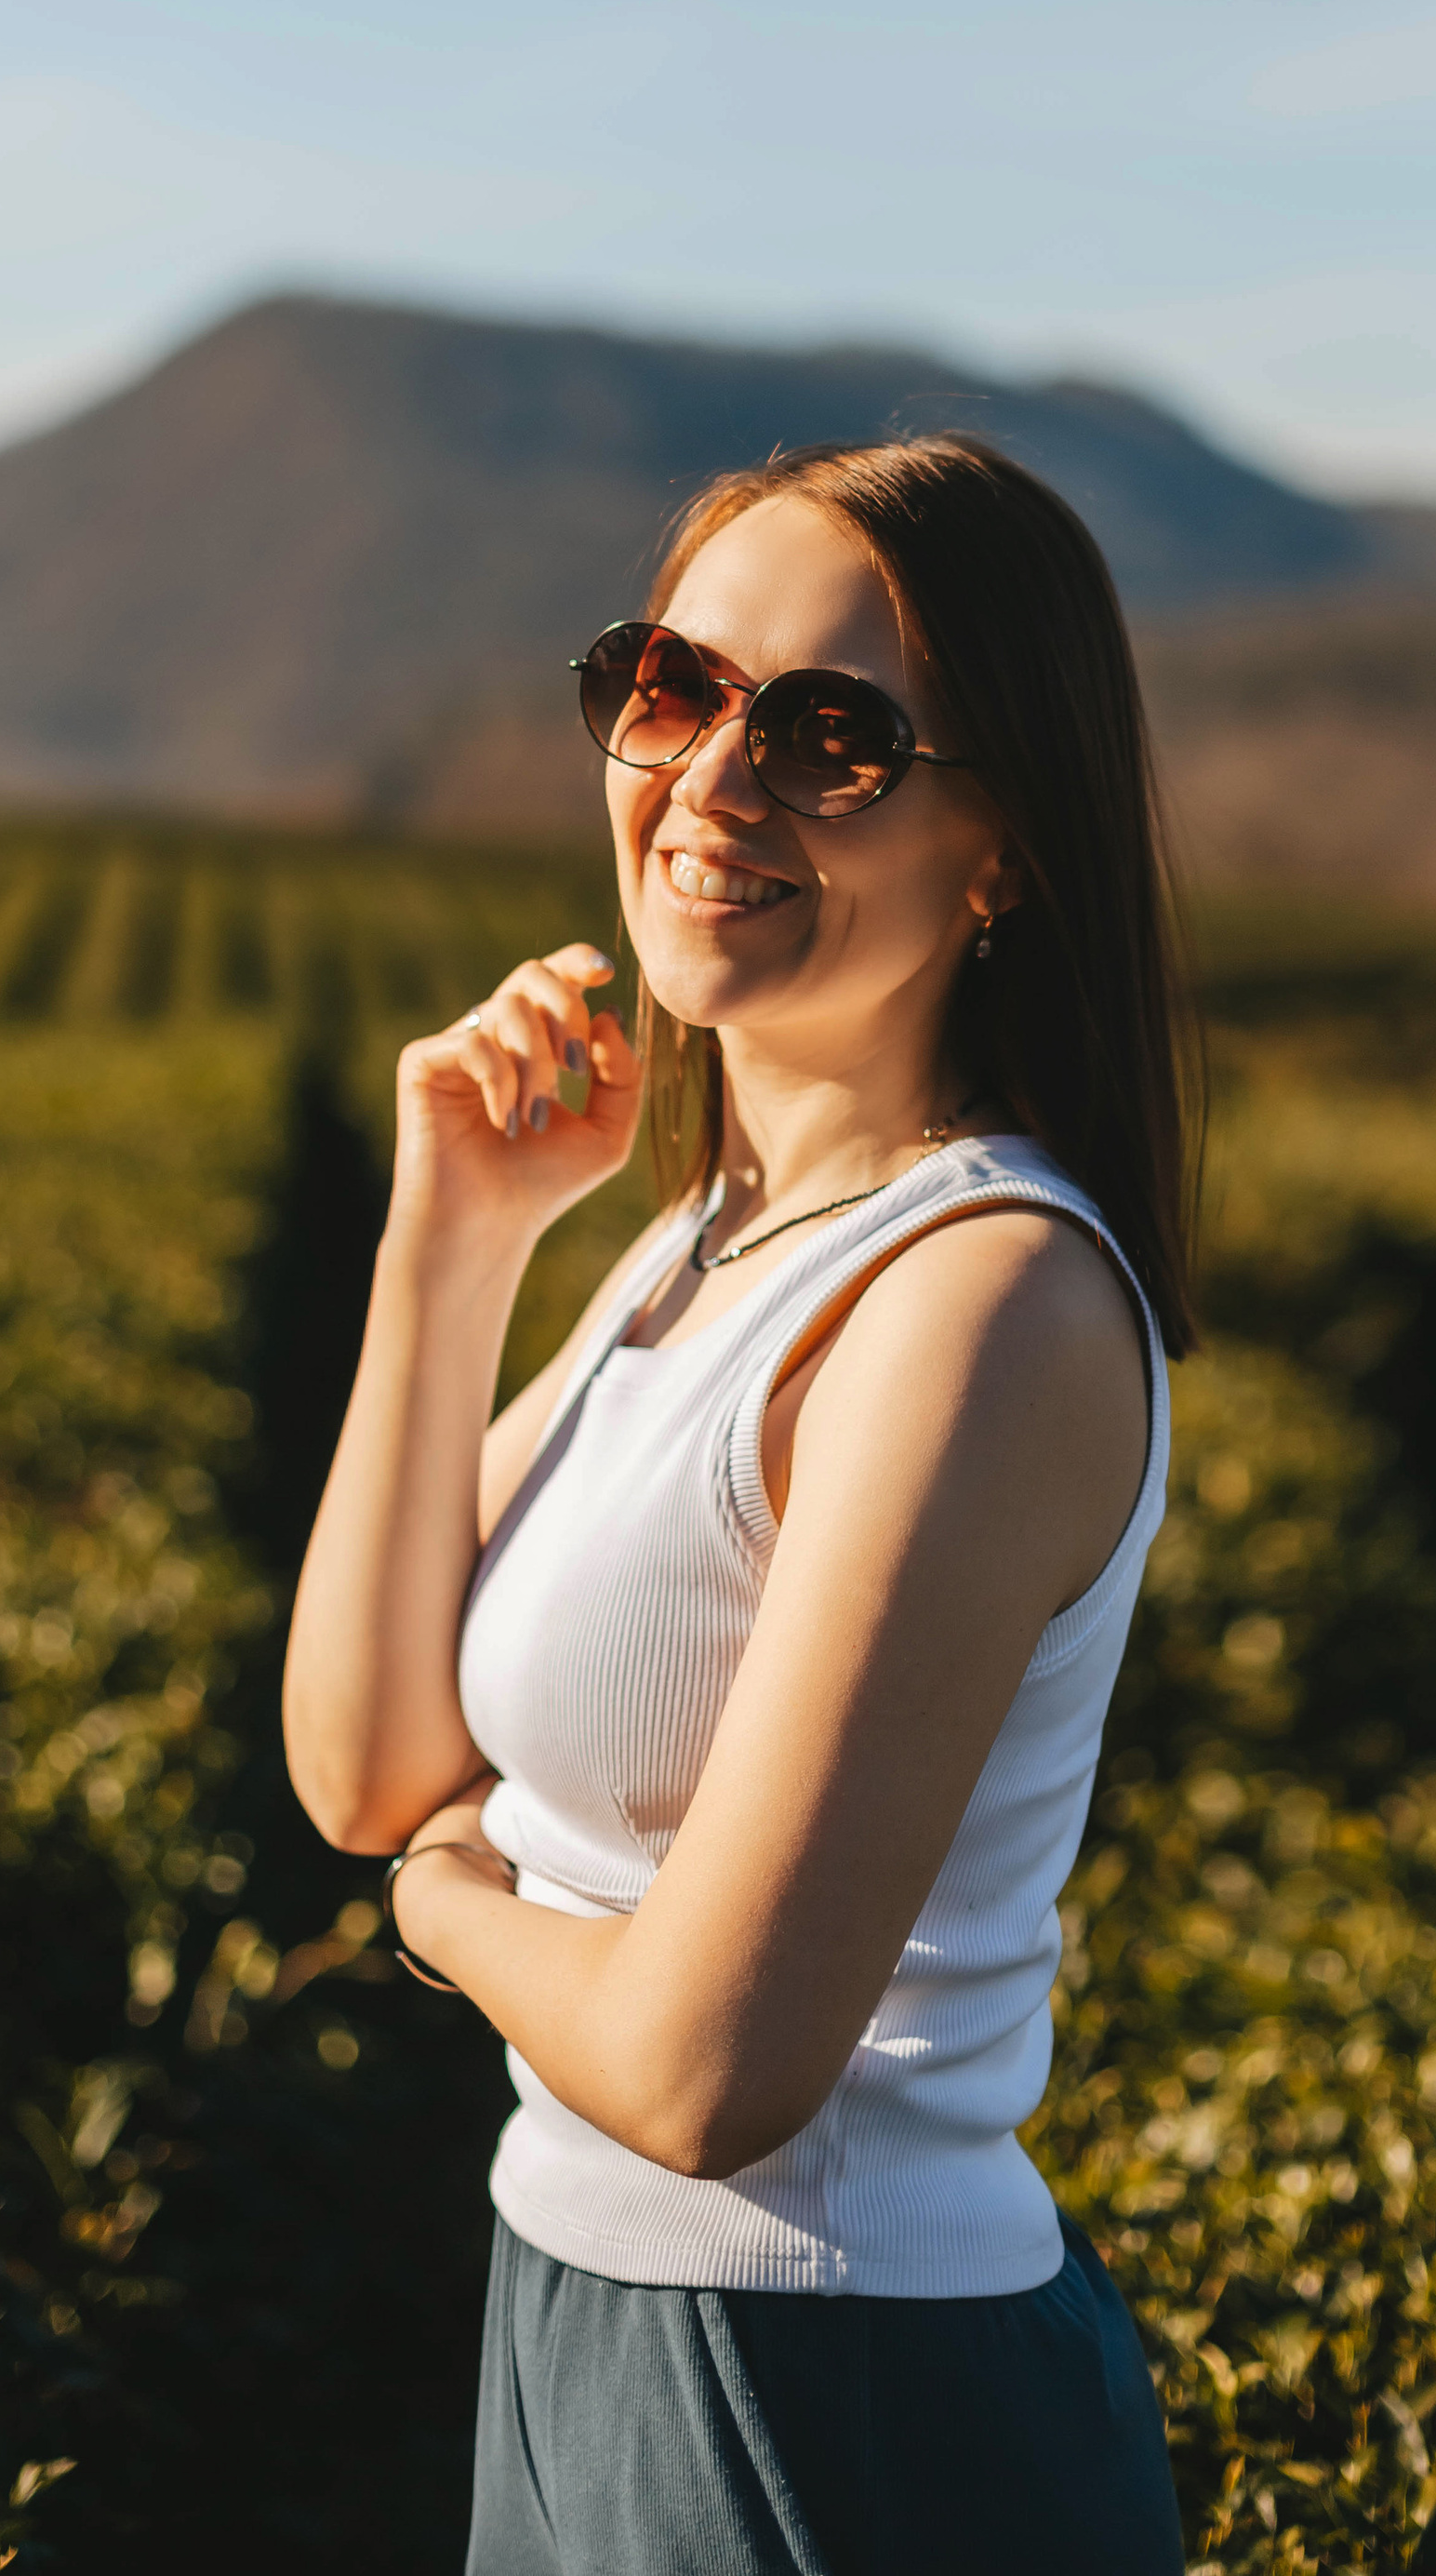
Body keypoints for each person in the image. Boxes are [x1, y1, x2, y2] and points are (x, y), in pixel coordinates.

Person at [285, 434, 1197, 2574]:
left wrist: (444, 1915)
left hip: (822, 2388)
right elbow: (365, 1760)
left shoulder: (977, 1304)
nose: (710, 782)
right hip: (593, 2312)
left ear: (1003, 852)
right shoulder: (701, 1238)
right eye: (673, 687)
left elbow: (707, 2072)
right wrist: (455, 1243)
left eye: (832, 737)